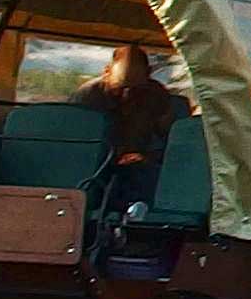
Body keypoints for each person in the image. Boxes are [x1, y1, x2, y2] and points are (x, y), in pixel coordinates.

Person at [75, 43, 184, 191]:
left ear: (149, 74)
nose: (126, 96)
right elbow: (75, 140)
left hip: (141, 169)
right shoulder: (88, 96)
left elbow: (174, 140)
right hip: (93, 165)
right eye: (118, 89)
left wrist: (147, 157)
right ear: (106, 71)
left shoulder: (158, 96)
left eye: (136, 90)